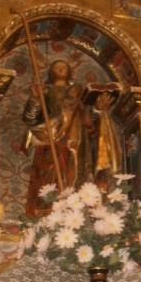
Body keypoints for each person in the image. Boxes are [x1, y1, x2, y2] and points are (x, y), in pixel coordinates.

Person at [22, 59, 93, 217]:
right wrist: (35, 98)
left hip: (73, 142)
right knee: (48, 176)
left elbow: (88, 122)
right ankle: (45, 211)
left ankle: (73, 212)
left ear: (70, 72)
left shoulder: (78, 92)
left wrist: (89, 109)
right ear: (50, 72)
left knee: (72, 175)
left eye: (63, 67)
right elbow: (30, 119)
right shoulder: (45, 91)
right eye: (56, 67)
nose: (60, 69)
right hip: (49, 140)